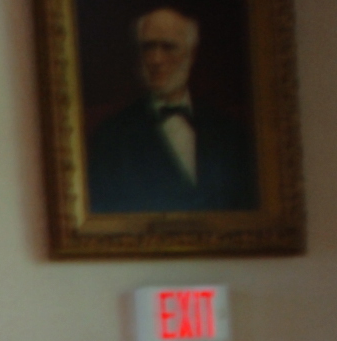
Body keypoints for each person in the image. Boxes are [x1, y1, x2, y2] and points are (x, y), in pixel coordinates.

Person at [84, 5, 258, 215]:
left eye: (168, 47)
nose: (156, 59)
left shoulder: (229, 133)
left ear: (190, 54)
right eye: (148, 47)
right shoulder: (111, 137)